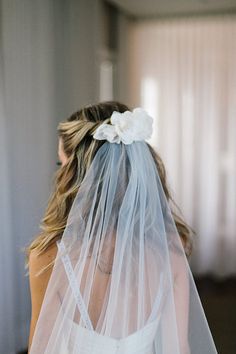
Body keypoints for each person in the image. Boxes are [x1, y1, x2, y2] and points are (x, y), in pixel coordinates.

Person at [27, 101, 218, 353]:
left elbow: (39, 349)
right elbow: (178, 347)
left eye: (61, 164)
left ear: (74, 175)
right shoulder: (171, 252)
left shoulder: (48, 258)